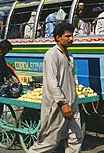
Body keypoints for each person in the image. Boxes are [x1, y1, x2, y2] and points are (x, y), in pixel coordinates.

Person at [28, 23, 83, 152]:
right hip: (57, 105)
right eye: (67, 36)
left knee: (76, 138)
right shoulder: (52, 55)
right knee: (50, 142)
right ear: (58, 37)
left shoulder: (69, 55)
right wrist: (63, 103)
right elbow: (52, 81)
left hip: (71, 103)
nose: (71, 39)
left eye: (71, 36)